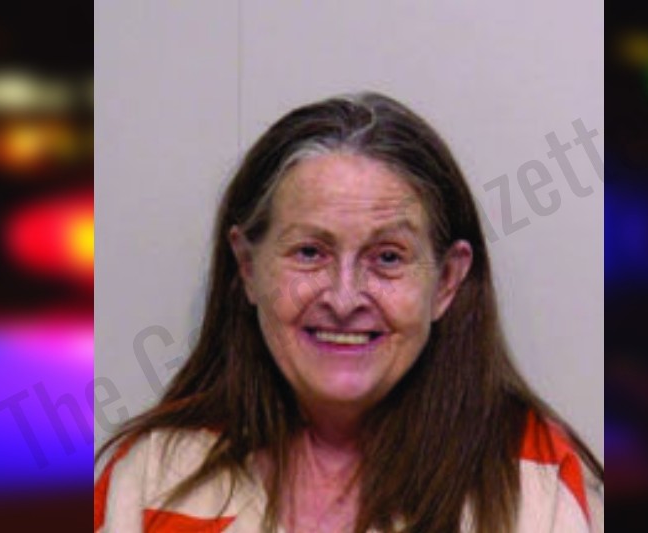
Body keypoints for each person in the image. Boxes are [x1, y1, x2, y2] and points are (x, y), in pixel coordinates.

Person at [94, 92, 604, 532]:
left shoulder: (539, 482)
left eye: (388, 258)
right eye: (309, 252)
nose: (343, 299)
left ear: (447, 280)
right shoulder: (151, 479)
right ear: (247, 268)